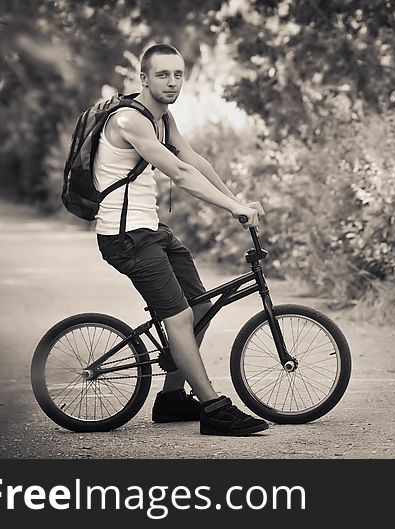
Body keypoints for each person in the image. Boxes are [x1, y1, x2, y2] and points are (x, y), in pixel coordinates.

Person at [94, 43, 268, 436]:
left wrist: (236, 200)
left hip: (151, 231)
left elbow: (193, 160)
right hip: (125, 238)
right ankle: (213, 407)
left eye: (177, 75)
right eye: (162, 74)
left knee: (201, 307)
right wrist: (230, 208)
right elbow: (179, 174)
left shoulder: (163, 118)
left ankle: (172, 400)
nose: (172, 82)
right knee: (180, 317)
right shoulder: (128, 120)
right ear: (143, 78)